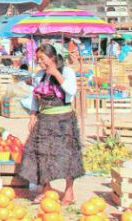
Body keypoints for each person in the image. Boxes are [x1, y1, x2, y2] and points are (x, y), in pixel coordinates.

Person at [18, 44, 83, 205]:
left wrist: (55, 73)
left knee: (67, 156)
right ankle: (46, 189)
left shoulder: (67, 72)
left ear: (52, 58)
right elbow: (34, 97)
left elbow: (71, 90)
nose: (39, 61)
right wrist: (33, 115)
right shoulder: (40, 75)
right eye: (38, 58)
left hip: (63, 119)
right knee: (41, 154)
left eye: (42, 58)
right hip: (44, 119)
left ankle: (69, 191)